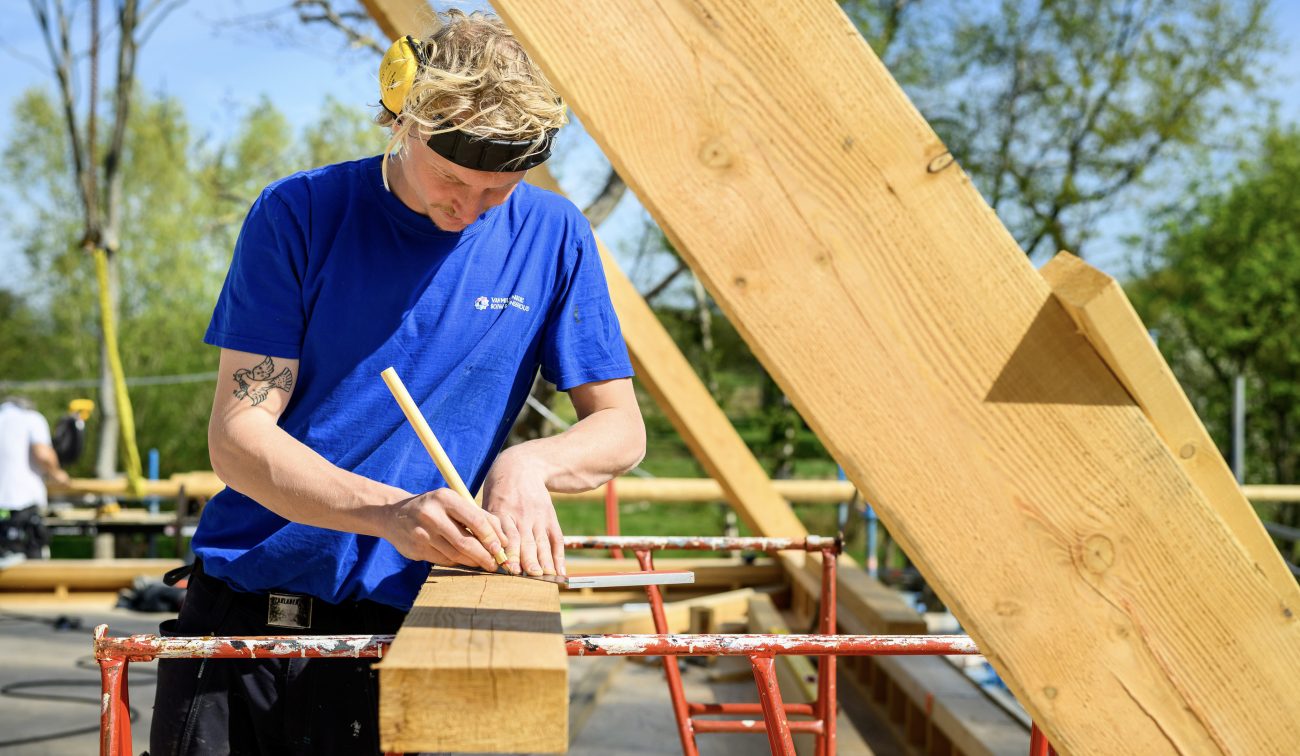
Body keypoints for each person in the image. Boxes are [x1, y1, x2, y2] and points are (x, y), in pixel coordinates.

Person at [149, 10, 645, 755]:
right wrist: (390, 513)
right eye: (452, 178)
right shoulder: (300, 214)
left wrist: (527, 465)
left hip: (412, 628)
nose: (468, 208)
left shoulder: (555, 234)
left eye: (498, 190)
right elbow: (238, 439)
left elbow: (621, 429)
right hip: (248, 618)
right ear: (401, 119)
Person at [0, 396, 68, 566]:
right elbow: (43, 455)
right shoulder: (32, 419)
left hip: (3, 508)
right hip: (22, 503)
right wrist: (57, 473)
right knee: (29, 567)